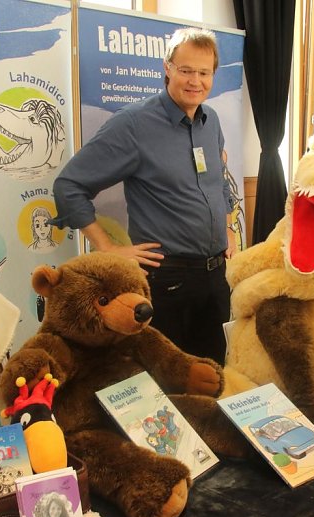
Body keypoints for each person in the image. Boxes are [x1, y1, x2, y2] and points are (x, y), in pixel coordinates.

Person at [52, 28, 234, 364]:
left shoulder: (211, 121)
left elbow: (218, 180)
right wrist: (108, 248)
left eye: (204, 72)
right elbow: (69, 186)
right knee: (168, 379)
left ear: (213, 74)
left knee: (213, 374)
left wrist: (229, 227)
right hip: (166, 280)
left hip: (216, 277)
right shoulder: (134, 124)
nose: (195, 81)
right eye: (186, 70)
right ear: (167, 67)